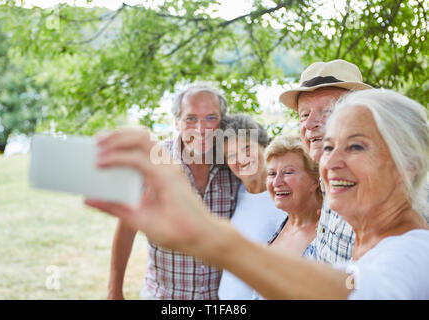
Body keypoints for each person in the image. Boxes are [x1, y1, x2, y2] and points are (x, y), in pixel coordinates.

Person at [86, 88, 429, 299]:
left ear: (409, 163)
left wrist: (208, 237)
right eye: (327, 146)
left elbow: (358, 292)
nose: (331, 161)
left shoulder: (415, 251)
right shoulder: (356, 235)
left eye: (356, 146)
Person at [106, 84, 240, 300]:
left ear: (222, 122)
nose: (201, 129)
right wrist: (114, 292)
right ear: (177, 122)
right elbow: (126, 228)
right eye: (191, 119)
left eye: (210, 118)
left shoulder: (236, 164)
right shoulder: (153, 162)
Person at [279, 59, 372, 264]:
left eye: (327, 111)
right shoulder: (327, 178)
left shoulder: (383, 188)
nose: (310, 124)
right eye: (304, 114)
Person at [217, 114, 287, 300]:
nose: (240, 158)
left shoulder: (285, 197)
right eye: (231, 155)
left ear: (264, 145)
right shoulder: (237, 192)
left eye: (246, 148)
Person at [252, 135, 322, 300]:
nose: (276, 182)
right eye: (271, 173)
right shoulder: (282, 225)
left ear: (315, 181)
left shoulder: (327, 236)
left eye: (288, 172)